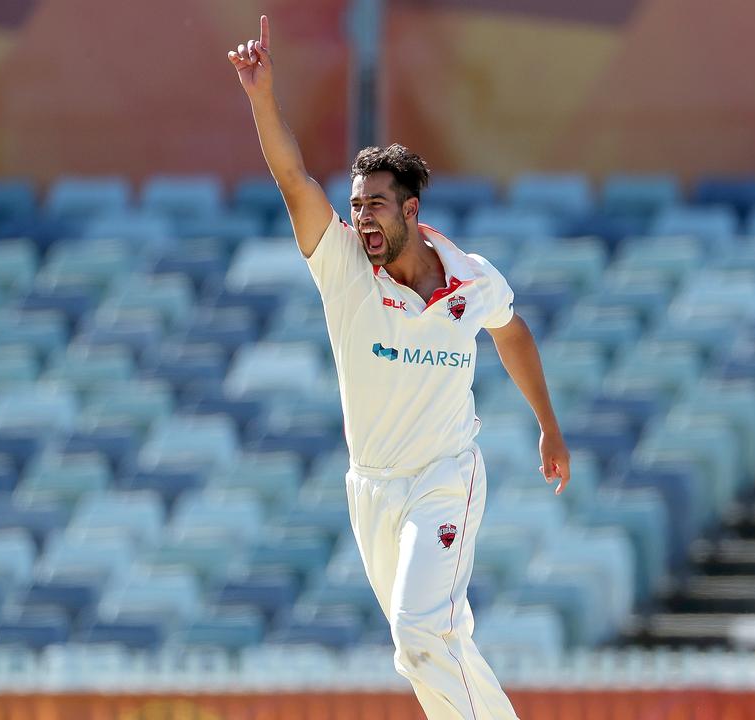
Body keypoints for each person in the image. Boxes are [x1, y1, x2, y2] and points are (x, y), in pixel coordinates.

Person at [228, 16, 570, 719]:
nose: (361, 220)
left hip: (444, 477)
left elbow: (513, 334)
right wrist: (262, 96)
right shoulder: (346, 268)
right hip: (372, 489)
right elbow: (293, 177)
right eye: (355, 206)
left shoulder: (470, 278)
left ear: (411, 209)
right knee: (429, 644)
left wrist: (548, 426)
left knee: (420, 632)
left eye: (375, 205)